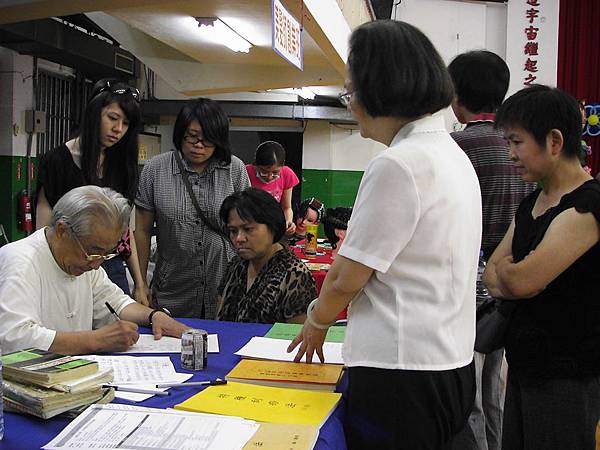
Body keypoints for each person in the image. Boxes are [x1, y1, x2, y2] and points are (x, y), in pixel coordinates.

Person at [288, 20, 481, 449]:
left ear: (381, 89)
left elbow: (346, 275)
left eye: (351, 92)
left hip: (400, 374)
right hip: (447, 361)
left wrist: (317, 320)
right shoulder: (450, 153)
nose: (350, 104)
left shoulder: (399, 164)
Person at [484, 85, 600, 450]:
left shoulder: (587, 205)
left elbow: (520, 281)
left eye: (517, 142)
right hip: (526, 369)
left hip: (567, 377)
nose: (511, 154)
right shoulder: (535, 200)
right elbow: (492, 274)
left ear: (554, 141)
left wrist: (511, 271)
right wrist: (510, 272)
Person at [448, 50, 536, 450]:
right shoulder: (525, 150)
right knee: (494, 388)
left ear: (455, 95)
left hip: (466, 287)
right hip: (511, 286)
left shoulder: (454, 149)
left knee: (469, 395)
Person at [0, 186, 189, 355]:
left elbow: (115, 302)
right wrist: (96, 340)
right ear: (61, 230)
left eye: (106, 254)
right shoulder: (20, 261)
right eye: (93, 252)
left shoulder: (85, 261)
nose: (97, 264)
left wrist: (153, 316)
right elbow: (15, 338)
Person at [36, 78, 149, 305]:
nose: (118, 129)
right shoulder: (57, 161)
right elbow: (42, 231)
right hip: (68, 266)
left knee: (119, 332)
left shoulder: (123, 166)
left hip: (112, 267)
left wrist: (140, 283)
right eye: (113, 118)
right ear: (94, 113)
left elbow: (126, 231)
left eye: (126, 124)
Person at [135, 98, 250, 319]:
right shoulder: (155, 169)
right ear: (180, 133)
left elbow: (249, 226)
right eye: (192, 137)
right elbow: (141, 231)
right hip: (173, 287)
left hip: (225, 285)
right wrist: (141, 283)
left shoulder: (234, 169)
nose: (199, 146)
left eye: (207, 140)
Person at [216, 188, 316, 324]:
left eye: (248, 229)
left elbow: (296, 337)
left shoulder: (294, 274)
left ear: (272, 226)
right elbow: (219, 321)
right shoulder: (236, 265)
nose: (239, 238)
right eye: (233, 231)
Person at [246, 141, 299, 235]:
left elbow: (286, 207)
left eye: (275, 173)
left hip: (272, 228)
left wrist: (288, 222)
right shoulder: (245, 173)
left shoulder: (287, 174)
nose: (270, 176)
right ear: (256, 165)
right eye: (264, 171)